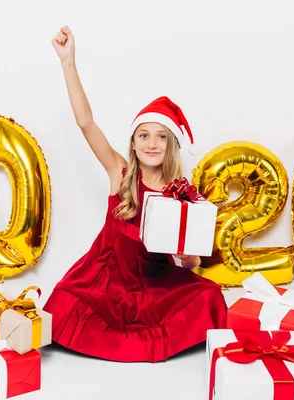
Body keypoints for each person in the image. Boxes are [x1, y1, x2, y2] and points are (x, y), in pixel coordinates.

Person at [43, 25, 227, 363]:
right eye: (143, 135)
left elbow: (190, 259)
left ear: (171, 144)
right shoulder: (120, 172)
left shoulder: (181, 193)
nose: (152, 143)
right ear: (133, 143)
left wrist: (188, 261)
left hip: (153, 279)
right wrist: (68, 63)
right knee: (64, 301)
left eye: (160, 136)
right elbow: (87, 124)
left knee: (210, 296)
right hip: (109, 274)